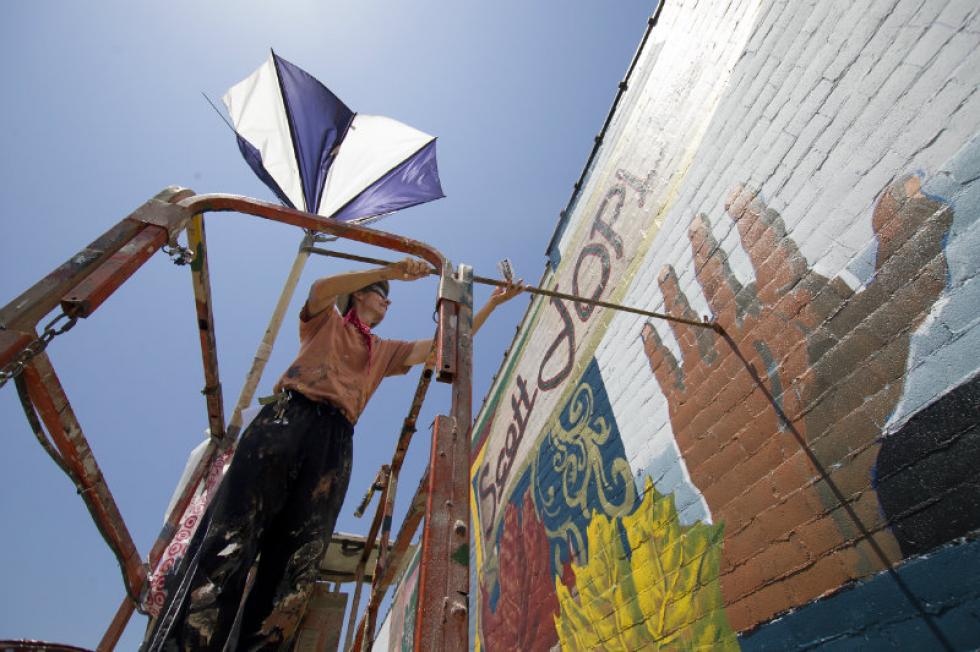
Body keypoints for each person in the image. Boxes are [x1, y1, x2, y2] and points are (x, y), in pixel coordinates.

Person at [145, 257, 522, 650]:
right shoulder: (325, 322)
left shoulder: (383, 350)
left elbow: (444, 347)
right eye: (382, 296)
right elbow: (320, 289)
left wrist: (492, 304)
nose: (388, 304)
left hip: (335, 441)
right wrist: (388, 271)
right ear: (360, 294)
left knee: (296, 568)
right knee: (230, 539)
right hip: (286, 419)